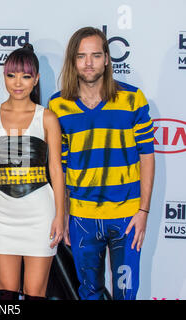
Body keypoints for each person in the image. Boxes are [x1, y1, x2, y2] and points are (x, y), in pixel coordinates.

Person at [48, 26, 155, 300]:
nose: (88, 63)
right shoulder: (58, 105)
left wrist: (143, 210)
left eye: (95, 55)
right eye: (82, 56)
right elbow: (59, 165)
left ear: (107, 59)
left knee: (125, 293)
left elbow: (147, 155)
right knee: (89, 293)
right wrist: (65, 212)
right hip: (83, 218)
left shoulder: (133, 99)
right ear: (73, 60)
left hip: (127, 217)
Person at [0, 44, 65, 300]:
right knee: (6, 293)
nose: (18, 83)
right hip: (3, 215)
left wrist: (60, 215)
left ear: (36, 79)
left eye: (26, 76)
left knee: (35, 293)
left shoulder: (47, 118)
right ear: (4, 76)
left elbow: (56, 171)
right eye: (12, 75)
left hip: (40, 214)